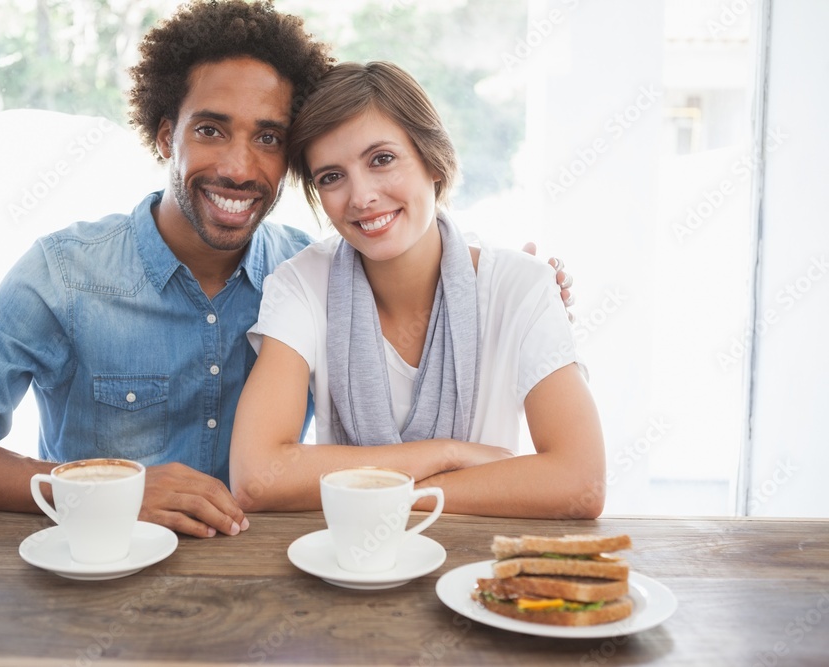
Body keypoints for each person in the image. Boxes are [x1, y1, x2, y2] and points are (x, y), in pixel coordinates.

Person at [0, 1, 573, 538]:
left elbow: (412, 243)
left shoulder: (307, 271)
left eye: (268, 138)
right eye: (211, 129)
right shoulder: (65, 272)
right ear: (163, 136)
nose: (240, 167)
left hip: (267, 591)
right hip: (93, 586)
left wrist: (527, 294)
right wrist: (89, 487)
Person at [229, 62, 604, 519]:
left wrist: (388, 492)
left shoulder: (521, 286)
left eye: (381, 159)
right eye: (331, 176)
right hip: (348, 565)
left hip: (476, 569)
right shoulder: (303, 283)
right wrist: (447, 454)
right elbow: (256, 476)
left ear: (432, 159)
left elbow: (580, 482)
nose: (361, 196)